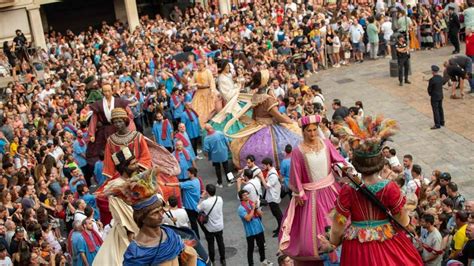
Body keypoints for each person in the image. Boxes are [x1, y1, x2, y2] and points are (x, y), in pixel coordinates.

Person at [319, 115, 423, 265]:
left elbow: (338, 226)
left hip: (357, 247)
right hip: (388, 240)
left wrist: (333, 243)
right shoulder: (389, 187)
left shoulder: (348, 190)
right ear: (380, 162)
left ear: (356, 163)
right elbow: (402, 219)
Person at [279, 115, 346, 264]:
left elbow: (338, 159)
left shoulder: (326, 143)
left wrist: (346, 168)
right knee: (316, 224)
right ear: (303, 131)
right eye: (309, 130)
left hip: (331, 189)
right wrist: (299, 193)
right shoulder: (298, 151)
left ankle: (340, 245)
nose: (312, 133)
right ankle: (322, 250)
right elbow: (295, 174)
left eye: (315, 129)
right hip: (312, 194)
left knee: (338, 218)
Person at [86, 83, 134, 169]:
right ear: (102, 92)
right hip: (106, 130)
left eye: (108, 91)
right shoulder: (99, 104)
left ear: (112, 91)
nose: (107, 93)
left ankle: (127, 164)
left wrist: (130, 127)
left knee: (124, 146)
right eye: (105, 91)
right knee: (108, 149)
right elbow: (94, 120)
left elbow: (129, 115)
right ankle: (112, 167)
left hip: (119, 128)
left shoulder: (119, 101)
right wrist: (92, 134)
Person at [161, 167, 201, 239]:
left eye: (188, 173)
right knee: (196, 223)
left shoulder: (190, 183)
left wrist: (165, 184)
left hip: (190, 207)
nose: (187, 174)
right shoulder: (197, 181)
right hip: (195, 205)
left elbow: (178, 184)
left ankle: (196, 238)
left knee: (193, 224)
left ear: (192, 174)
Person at [237, 190, 270, 266]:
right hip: (250, 231)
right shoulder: (240, 208)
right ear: (241, 198)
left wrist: (256, 208)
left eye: (247, 194)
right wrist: (253, 208)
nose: (247, 196)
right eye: (244, 195)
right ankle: (251, 264)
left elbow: (261, 214)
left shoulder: (251, 203)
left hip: (258, 228)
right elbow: (248, 218)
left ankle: (263, 260)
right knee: (250, 249)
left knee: (261, 245)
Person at [197, 184, 226, 266]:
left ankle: (212, 261)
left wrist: (202, 197)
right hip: (219, 226)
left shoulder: (205, 203)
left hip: (209, 228)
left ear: (207, 192)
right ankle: (223, 259)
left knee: (211, 244)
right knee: (221, 243)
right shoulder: (220, 199)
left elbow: (197, 208)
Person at [191, 59, 217, 128]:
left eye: (199, 64)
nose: (198, 66)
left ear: (203, 64)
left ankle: (210, 124)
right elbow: (191, 83)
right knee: (197, 109)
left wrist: (212, 91)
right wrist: (196, 84)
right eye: (197, 65)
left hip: (207, 91)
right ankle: (200, 126)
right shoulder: (195, 73)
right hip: (199, 92)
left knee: (209, 108)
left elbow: (212, 82)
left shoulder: (208, 71)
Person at [260, 157, 282, 238]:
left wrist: (262, 178)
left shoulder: (273, 175)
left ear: (268, 165)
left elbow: (266, 186)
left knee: (278, 214)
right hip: (272, 196)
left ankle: (280, 229)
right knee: (275, 213)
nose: (263, 167)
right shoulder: (270, 171)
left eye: (264, 165)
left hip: (273, 197)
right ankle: (279, 227)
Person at [427, 65, 445, 129]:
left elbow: (429, 89)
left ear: (433, 71)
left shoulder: (432, 80)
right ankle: (442, 122)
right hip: (440, 95)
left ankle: (437, 124)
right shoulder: (440, 77)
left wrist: (431, 94)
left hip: (434, 97)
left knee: (435, 110)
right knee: (440, 108)